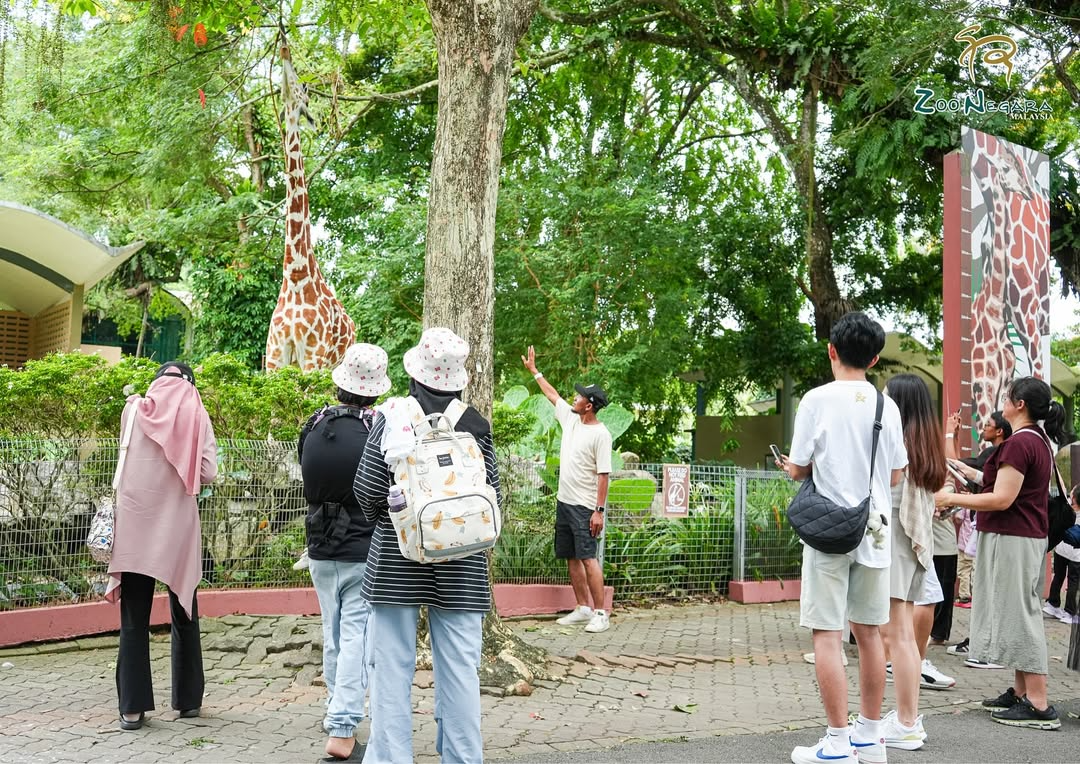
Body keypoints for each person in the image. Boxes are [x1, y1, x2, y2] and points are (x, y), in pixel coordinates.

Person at [354, 327, 501, 763]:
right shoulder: (475, 424)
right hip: (463, 564)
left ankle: (392, 758)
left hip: (397, 561)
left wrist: (394, 517)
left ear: (415, 377)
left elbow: (366, 488)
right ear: (457, 381)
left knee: (391, 668)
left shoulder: (394, 418)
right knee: (459, 670)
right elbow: (492, 492)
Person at [780, 312, 907, 764]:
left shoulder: (816, 400)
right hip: (873, 530)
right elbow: (895, 474)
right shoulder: (885, 405)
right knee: (871, 634)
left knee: (827, 635)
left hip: (827, 532)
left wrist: (801, 469)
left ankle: (836, 743)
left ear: (831, 350)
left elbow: (797, 467)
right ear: (874, 358)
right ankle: (870, 739)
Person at [937, 376, 1069, 729]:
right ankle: (1022, 692)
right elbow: (997, 485)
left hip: (1014, 538)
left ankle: (1038, 704)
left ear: (1019, 405)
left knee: (1020, 614)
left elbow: (1002, 499)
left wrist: (950, 498)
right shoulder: (1036, 441)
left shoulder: (1018, 444)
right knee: (1016, 611)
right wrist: (964, 471)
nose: (1002, 403)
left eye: (1007, 398)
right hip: (1023, 537)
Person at [104, 362, 217, 731]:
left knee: (134, 617)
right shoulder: (198, 416)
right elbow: (207, 474)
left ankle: (132, 710)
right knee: (184, 608)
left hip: (136, 521)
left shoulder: (133, 409)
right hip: (178, 525)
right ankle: (188, 703)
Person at [300, 344, 390, 761]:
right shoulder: (377, 431)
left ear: (340, 384)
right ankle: (342, 728)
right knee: (355, 636)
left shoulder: (314, 425)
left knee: (331, 632)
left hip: (319, 548)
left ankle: (335, 709)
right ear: (374, 391)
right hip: (362, 548)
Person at [876, 374, 947, 751]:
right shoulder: (925, 446)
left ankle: (906, 721)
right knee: (898, 634)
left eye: (887, 398)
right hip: (910, 544)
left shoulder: (897, 444)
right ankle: (907, 718)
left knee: (896, 635)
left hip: (894, 543)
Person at [521, 346, 613, 634]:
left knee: (588, 557)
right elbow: (552, 395)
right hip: (565, 502)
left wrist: (599, 511)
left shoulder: (601, 434)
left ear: (590, 405)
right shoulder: (571, 419)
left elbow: (604, 476)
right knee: (571, 557)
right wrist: (535, 371)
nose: (573, 397)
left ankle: (601, 613)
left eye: (579, 396)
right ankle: (582, 607)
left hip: (586, 507)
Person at [946, 410, 1011, 607]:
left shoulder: (994, 453)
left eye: (988, 425)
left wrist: (949, 433)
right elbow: (961, 466)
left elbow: (955, 466)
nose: (983, 428)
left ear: (999, 431)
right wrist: (955, 436)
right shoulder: (995, 452)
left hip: (992, 525)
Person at [1044, 484, 1080, 624]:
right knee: (1073, 581)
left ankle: (1053, 604)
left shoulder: (1066, 509)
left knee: (1058, 576)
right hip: (1075, 554)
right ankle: (1070, 612)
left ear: (1074, 498)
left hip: (1060, 548)